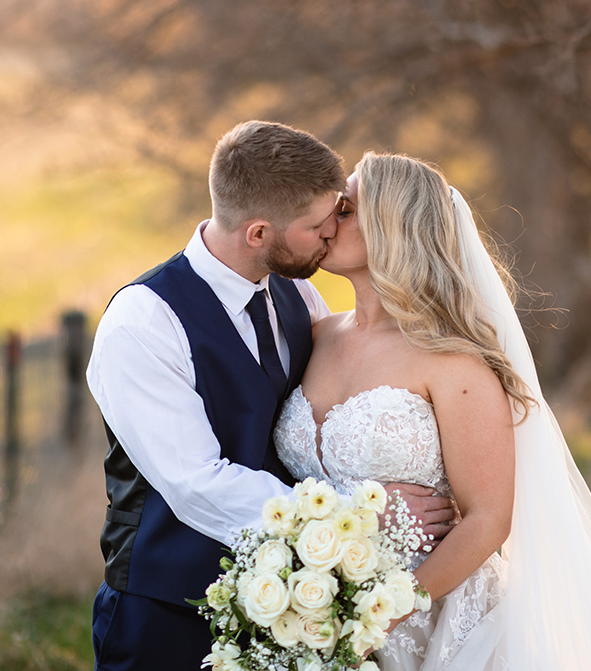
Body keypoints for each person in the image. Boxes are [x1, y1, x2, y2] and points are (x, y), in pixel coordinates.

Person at [274, 152, 591, 670]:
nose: (327, 219)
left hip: (431, 618)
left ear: (393, 228)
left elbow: (487, 520)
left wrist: (378, 614)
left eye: (345, 209)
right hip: (310, 612)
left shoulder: (452, 360)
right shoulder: (315, 335)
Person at [86, 123, 457, 671]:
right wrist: (362, 512)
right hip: (166, 614)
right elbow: (195, 483)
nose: (334, 231)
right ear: (258, 233)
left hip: (296, 612)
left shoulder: (299, 295)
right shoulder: (144, 323)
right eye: (317, 224)